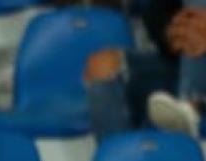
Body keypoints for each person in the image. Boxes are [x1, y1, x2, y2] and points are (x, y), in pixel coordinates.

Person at [85, 0, 206, 137]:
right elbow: (156, 13)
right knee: (103, 65)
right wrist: (171, 32)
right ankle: (120, 155)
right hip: (180, 65)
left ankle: (194, 105)